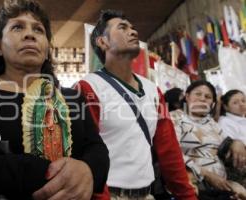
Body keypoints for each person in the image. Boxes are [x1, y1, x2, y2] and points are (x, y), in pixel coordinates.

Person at [0, 0, 109, 199]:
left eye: (39, 30)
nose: (30, 34)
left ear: (48, 49)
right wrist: (46, 173)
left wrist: (88, 170)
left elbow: (97, 148)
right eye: (17, 27)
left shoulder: (72, 97)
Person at [76, 9, 197, 200]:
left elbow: (169, 151)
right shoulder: (88, 87)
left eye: (133, 28)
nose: (134, 32)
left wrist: (187, 196)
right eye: (122, 28)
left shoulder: (152, 90)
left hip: (147, 194)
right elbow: (83, 152)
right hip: (108, 194)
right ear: (103, 41)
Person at [170, 80, 246, 200]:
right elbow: (171, 152)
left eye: (208, 96)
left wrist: (237, 143)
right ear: (187, 96)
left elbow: (225, 149)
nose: (202, 99)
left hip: (222, 184)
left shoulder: (211, 123)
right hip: (193, 184)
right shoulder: (175, 117)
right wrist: (205, 174)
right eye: (198, 94)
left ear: (212, 103)